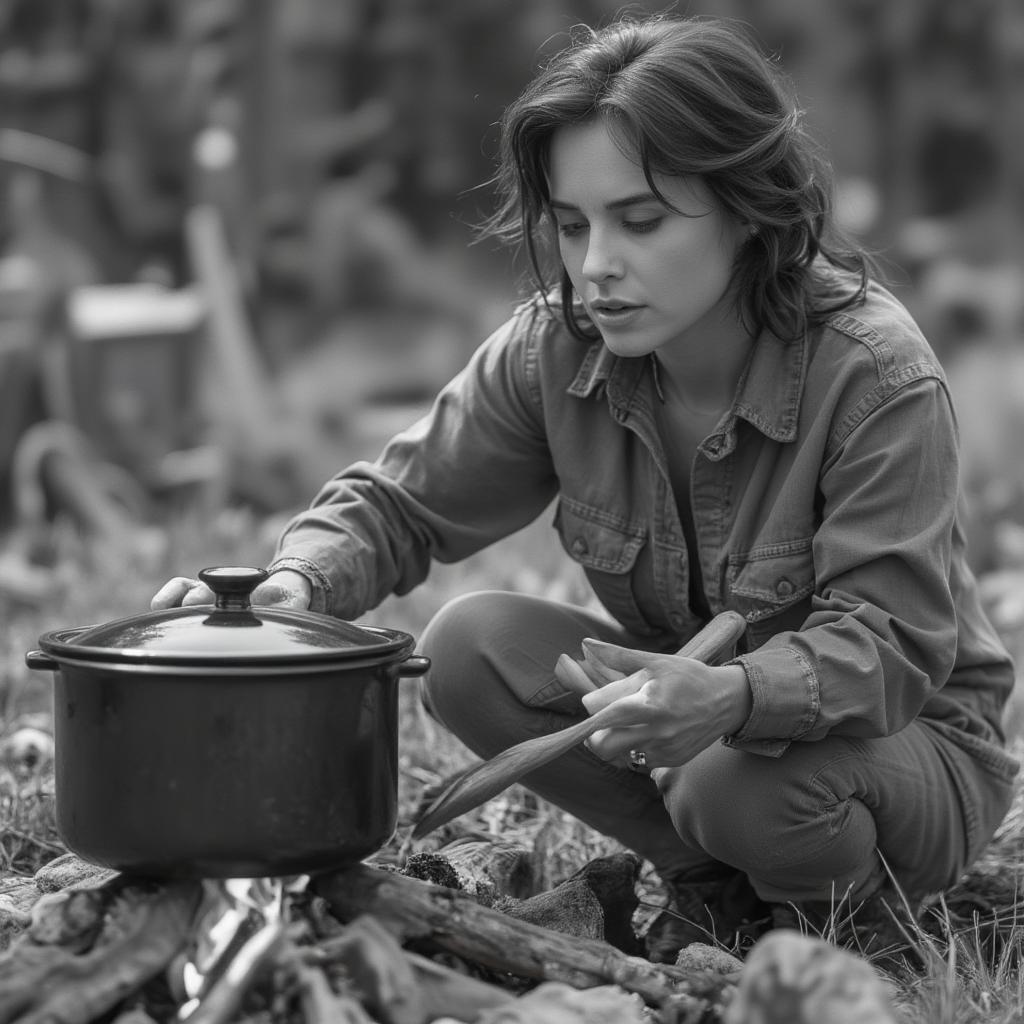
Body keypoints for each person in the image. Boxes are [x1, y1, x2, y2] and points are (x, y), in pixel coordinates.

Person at [154, 15, 1019, 966]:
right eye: (573, 224)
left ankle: (850, 927)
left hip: (909, 750)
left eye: (640, 220)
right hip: (694, 733)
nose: (596, 262)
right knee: (466, 647)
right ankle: (712, 888)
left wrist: (730, 697)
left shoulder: (875, 374)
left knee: (731, 785)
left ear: (747, 208)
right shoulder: (556, 348)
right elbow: (401, 503)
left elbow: (892, 645)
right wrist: (295, 592)